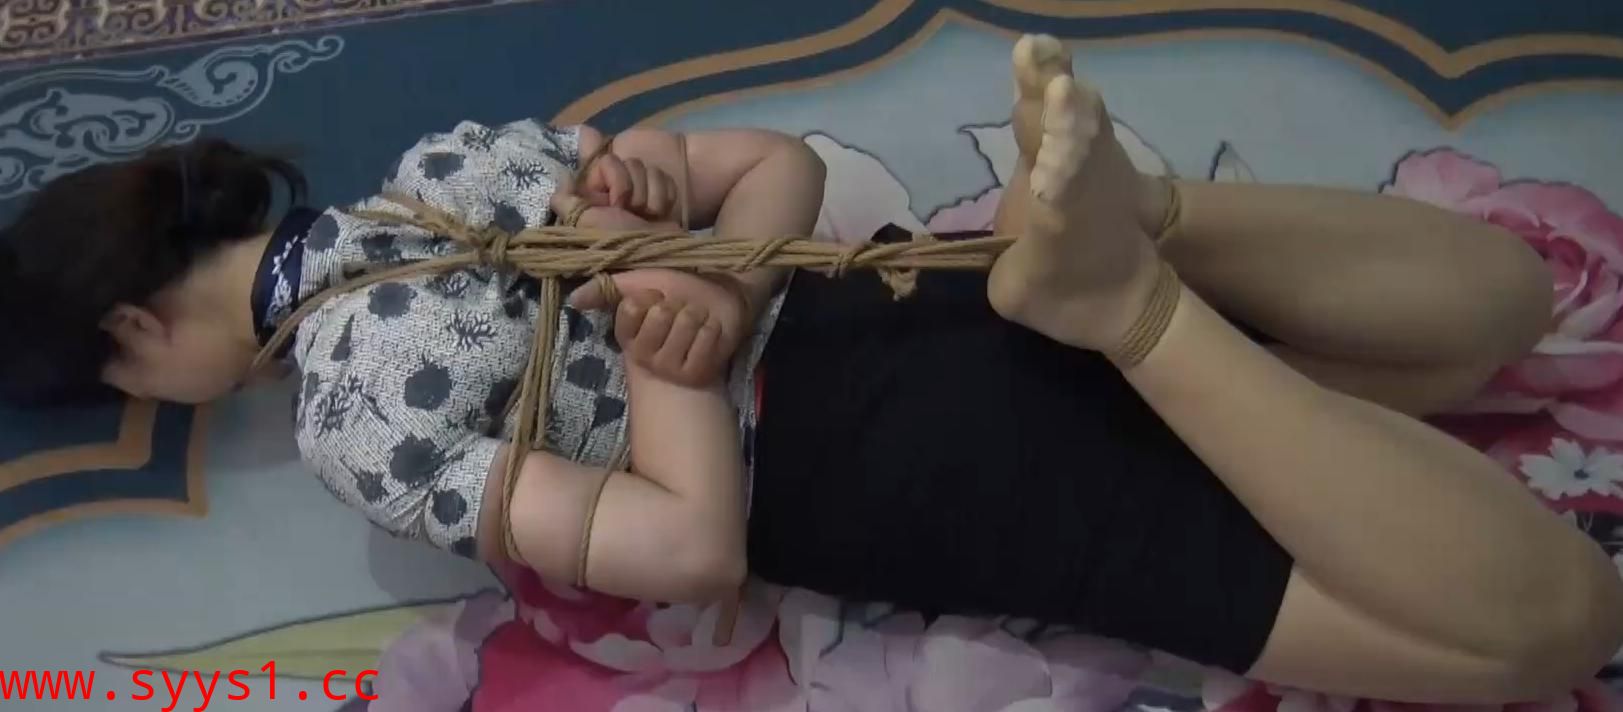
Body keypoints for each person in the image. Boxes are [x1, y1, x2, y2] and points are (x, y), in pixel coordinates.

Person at [2, 33, 1618, 703]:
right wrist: (709, 266)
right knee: (1496, 303)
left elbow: (696, 545)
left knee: (1547, 626)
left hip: (915, 483)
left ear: (132, 336)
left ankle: (1131, 299)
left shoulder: (360, 426)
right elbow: (768, 163)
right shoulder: (450, 162)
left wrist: (672, 347)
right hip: (918, 302)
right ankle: (1137, 241)